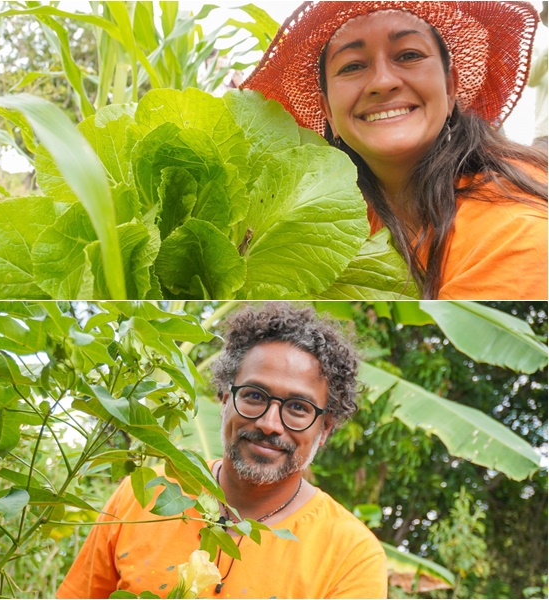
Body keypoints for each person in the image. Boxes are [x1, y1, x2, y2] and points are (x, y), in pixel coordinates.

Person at [58, 303, 386, 598]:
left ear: (326, 428)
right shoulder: (143, 496)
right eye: (255, 396)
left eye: (298, 407)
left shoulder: (350, 554)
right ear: (226, 397)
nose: (270, 423)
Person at [241, 1, 547, 300]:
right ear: (328, 112)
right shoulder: (327, 213)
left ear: (450, 87)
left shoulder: (518, 232)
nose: (383, 82)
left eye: (409, 55)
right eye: (353, 66)